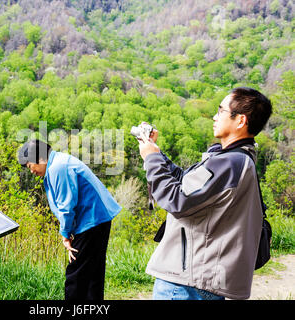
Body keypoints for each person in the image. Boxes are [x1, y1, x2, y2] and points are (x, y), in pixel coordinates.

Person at [138, 87, 272, 300]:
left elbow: (177, 200)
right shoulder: (237, 160)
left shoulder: (228, 163)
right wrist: (155, 152)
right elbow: (187, 184)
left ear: (240, 121)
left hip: (186, 282)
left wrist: (151, 160)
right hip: (200, 278)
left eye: (221, 111)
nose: (214, 116)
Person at [18, 139, 121, 300]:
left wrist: (65, 235)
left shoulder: (58, 168)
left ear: (40, 159)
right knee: (93, 272)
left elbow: (66, 206)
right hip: (96, 219)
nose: (31, 171)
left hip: (92, 220)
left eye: (30, 166)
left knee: (76, 273)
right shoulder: (58, 161)